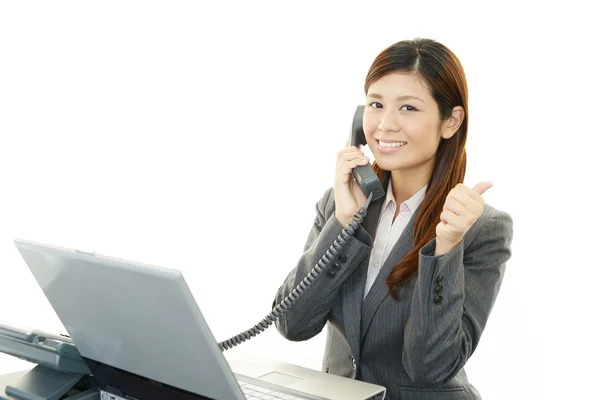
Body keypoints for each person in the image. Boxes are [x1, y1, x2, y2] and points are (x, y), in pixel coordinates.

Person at [273, 38, 513, 400]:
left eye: (409, 108)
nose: (385, 125)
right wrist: (343, 222)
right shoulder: (340, 205)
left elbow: (430, 367)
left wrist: (445, 249)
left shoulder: (482, 228)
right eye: (376, 104)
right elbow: (292, 324)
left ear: (451, 121)